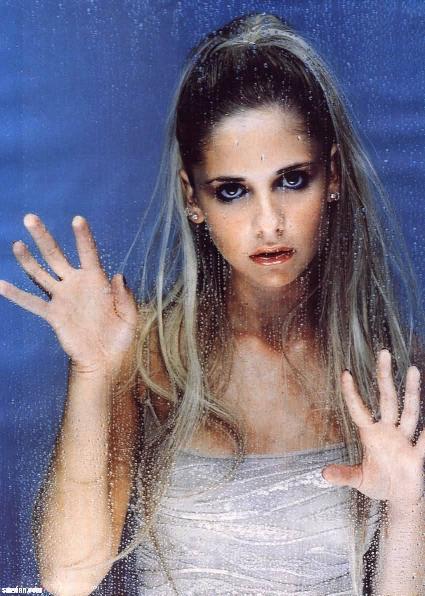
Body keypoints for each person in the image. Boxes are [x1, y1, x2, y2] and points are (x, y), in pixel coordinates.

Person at [1, 11, 424, 596]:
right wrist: (93, 374)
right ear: (193, 198)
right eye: (232, 191)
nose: (268, 223)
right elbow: (67, 578)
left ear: (333, 175)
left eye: (291, 180)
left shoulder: (395, 371)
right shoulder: (151, 357)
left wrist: (409, 506)